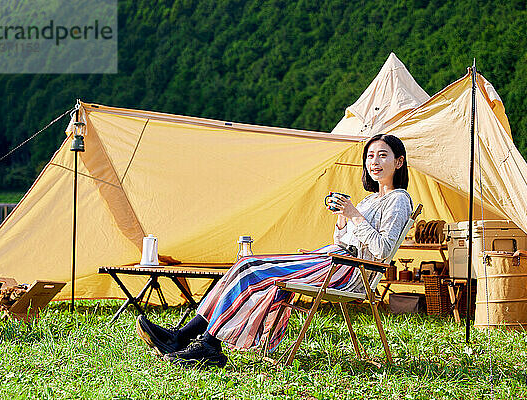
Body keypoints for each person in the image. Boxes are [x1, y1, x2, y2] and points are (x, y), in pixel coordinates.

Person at [135, 133, 413, 368]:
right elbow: (344, 240)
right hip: (334, 259)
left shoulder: (398, 200)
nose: (374, 162)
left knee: (251, 267)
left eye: (382, 156)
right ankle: (187, 337)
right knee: (244, 264)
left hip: (352, 272)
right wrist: (343, 220)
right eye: (370, 156)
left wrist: (353, 215)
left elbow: (382, 249)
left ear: (398, 162)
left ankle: (204, 343)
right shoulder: (368, 200)